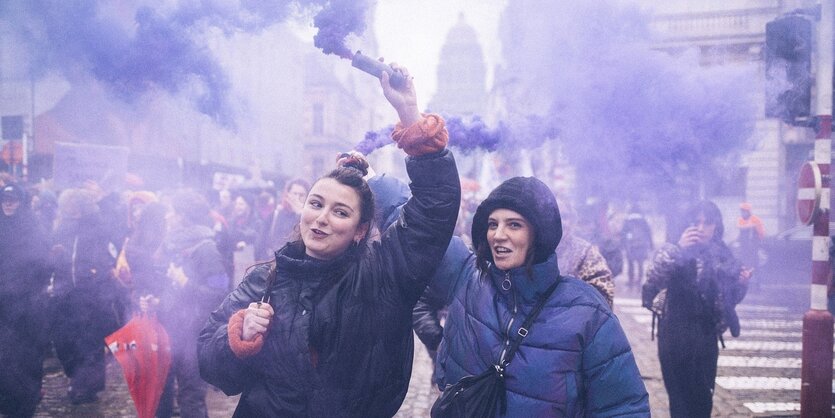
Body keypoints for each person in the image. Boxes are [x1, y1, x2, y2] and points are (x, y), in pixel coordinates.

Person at [197, 64, 461, 416]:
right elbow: (210, 365)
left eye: (340, 212)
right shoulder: (265, 280)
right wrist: (238, 336)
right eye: (316, 204)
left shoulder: (383, 277)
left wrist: (410, 115)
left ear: (361, 229)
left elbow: (434, 209)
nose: (322, 218)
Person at [431, 176, 649, 416]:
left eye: (514, 225)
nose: (498, 235)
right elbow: (420, 229)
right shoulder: (468, 279)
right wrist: (432, 160)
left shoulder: (588, 312)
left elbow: (621, 408)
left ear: (539, 234)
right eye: (493, 224)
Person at [642, 200, 751, 418]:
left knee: (702, 399)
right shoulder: (673, 247)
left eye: (707, 223)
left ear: (716, 225)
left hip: (705, 335)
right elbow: (654, 277)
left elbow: (727, 300)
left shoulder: (723, 254)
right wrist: (679, 249)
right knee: (679, 400)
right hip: (674, 334)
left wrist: (741, 284)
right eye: (696, 222)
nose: (701, 229)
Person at [155, 189, 229, 418]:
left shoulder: (207, 248)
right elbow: (165, 282)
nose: (167, 216)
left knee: (190, 394)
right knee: (160, 390)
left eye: (171, 212)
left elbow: (220, 291)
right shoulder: (170, 244)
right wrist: (154, 299)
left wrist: (186, 283)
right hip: (169, 328)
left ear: (183, 216)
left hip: (192, 333)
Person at [50, 188, 124, 404]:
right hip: (65, 295)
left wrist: (99, 273)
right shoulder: (62, 227)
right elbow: (54, 255)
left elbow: (111, 253)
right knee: (65, 342)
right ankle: (78, 378)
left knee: (89, 344)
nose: (69, 209)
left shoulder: (98, 226)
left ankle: (84, 386)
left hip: (92, 295)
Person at [0, 184, 51, 417]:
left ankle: (24, 402)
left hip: (26, 305)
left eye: (12, 200)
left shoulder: (33, 228)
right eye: (4, 199)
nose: (8, 204)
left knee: (25, 355)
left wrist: (27, 289)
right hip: (3, 303)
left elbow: (41, 264)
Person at [262, 178, 310, 259]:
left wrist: (300, 215)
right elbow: (262, 243)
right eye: (295, 193)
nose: (297, 198)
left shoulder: (309, 218)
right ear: (288, 194)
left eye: (301, 195)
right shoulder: (275, 215)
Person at [621, 205, 654, 289]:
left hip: (630, 245)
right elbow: (648, 233)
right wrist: (651, 244)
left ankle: (631, 280)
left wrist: (623, 245)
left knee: (630, 263)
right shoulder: (643, 220)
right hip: (641, 244)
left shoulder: (627, 220)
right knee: (640, 263)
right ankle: (639, 280)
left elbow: (623, 234)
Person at [736, 202, 764, 271]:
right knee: (744, 260)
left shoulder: (755, 219)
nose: (742, 213)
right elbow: (740, 228)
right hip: (744, 244)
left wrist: (758, 240)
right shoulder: (740, 219)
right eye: (742, 211)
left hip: (753, 244)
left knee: (753, 260)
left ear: (748, 211)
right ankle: (746, 275)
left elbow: (761, 231)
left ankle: (756, 276)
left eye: (744, 211)